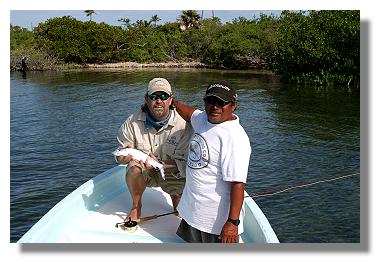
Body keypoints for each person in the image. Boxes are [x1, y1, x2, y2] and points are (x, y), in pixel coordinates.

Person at [172, 80, 251, 243]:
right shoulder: (203, 119)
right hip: (193, 212)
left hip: (215, 222)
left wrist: (232, 222)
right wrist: (173, 102)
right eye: (210, 101)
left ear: (234, 105)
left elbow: (238, 184)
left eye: (222, 102)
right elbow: (189, 113)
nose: (215, 106)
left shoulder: (235, 138)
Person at [115, 78, 192, 222]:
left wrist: (162, 164)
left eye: (163, 96)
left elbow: (186, 163)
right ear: (146, 98)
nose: (159, 101)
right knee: (133, 168)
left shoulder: (184, 126)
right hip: (145, 171)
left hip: (173, 172)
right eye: (154, 96)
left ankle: (176, 196)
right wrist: (123, 157)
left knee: (180, 212)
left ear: (171, 99)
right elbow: (119, 154)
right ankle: (136, 206)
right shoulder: (131, 123)